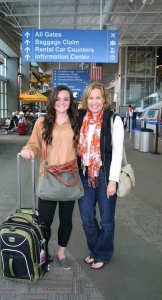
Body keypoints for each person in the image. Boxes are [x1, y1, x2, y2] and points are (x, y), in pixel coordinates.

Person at [21, 85, 79, 270]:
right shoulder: (42, 122)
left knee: (66, 220)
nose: (62, 102)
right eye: (58, 98)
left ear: (70, 102)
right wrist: (28, 149)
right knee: (44, 221)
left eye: (66, 99)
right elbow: (34, 144)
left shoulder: (77, 121)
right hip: (48, 177)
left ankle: (61, 252)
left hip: (69, 178)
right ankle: (43, 251)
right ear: (52, 101)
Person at [77, 82, 124, 269]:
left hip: (105, 176)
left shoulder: (114, 120)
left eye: (98, 97)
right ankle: (95, 250)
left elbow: (118, 152)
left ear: (105, 99)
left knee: (106, 221)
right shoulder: (81, 119)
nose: (94, 101)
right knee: (87, 218)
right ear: (86, 100)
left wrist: (113, 181)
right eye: (91, 97)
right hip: (85, 174)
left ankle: (102, 254)